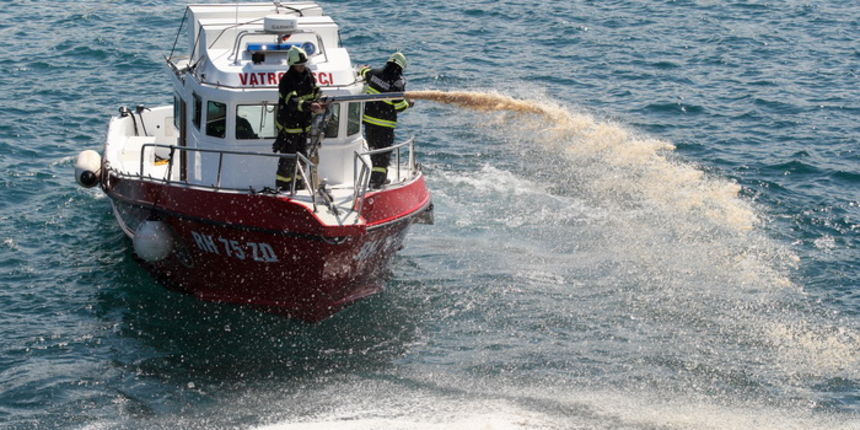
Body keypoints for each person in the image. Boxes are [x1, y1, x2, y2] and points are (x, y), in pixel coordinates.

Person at [358, 52, 414, 188]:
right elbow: (400, 107)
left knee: (374, 149)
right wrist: (409, 103)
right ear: (401, 68)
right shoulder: (397, 82)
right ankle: (378, 181)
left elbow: (364, 71)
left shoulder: (375, 73)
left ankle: (374, 178)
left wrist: (363, 68)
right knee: (383, 154)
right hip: (385, 124)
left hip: (369, 122)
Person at [272, 46, 324, 191]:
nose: (302, 67)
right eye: (299, 65)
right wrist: (310, 106)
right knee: (288, 158)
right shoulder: (286, 81)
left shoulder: (308, 74)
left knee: (302, 156)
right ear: (292, 65)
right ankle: (282, 187)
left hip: (303, 125)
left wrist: (320, 100)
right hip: (289, 126)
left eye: (303, 64)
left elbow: (315, 90)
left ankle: (299, 184)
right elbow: (293, 103)